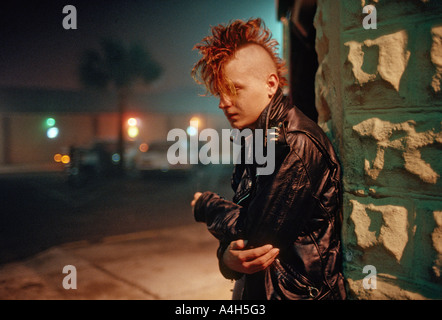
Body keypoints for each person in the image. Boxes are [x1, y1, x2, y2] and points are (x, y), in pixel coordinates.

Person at [190, 18, 346, 300]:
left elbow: (255, 239)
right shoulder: (258, 138)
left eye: (234, 89)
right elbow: (245, 234)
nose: (223, 102)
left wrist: (207, 206)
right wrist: (226, 257)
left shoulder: (293, 144)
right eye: (220, 92)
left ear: (270, 84)